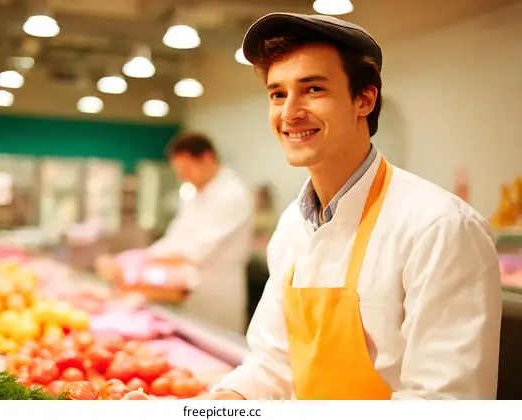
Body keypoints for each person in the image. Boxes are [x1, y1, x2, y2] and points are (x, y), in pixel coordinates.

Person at [191, 13, 502, 400]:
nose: (289, 112)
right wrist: (213, 406)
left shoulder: (439, 227)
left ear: (364, 99)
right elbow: (273, 363)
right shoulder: (292, 226)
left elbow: (444, 402)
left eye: (313, 89)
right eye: (277, 93)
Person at [114, 132, 254, 333]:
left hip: (218, 294)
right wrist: (145, 255)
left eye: (187, 169)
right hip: (189, 292)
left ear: (207, 158)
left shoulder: (232, 195)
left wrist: (145, 261)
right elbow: (176, 237)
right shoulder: (194, 194)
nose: (183, 177)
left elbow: (196, 252)